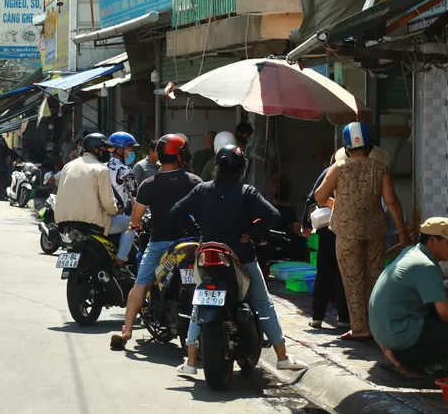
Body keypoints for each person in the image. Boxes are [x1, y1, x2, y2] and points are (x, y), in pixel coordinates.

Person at [171, 145, 307, 375]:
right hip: (241, 257)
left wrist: (196, 231)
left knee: (198, 304)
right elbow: (273, 215)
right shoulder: (246, 192)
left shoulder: (202, 190)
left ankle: (191, 361)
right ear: (241, 168)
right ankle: (283, 356)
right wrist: (253, 234)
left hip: (207, 256)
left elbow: (177, 210)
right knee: (264, 304)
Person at [314, 122, 410, 341]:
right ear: (370, 145)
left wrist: (334, 203)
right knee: (374, 278)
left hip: (346, 231)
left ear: (347, 146)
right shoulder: (380, 168)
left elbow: (319, 196)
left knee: (352, 280)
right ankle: (377, 326)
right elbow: (392, 203)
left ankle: (359, 328)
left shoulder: (338, 168)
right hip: (375, 230)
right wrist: (403, 233)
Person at [112, 134, 202, 350]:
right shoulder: (194, 181)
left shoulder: (149, 184)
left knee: (140, 283)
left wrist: (137, 225)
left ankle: (126, 331)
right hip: (193, 244)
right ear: (181, 156)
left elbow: (136, 218)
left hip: (160, 243)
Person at [371, 218, 448, 376]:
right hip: (397, 332)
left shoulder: (412, 251)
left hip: (385, 328)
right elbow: (445, 313)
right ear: (432, 240)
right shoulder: (427, 266)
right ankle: (404, 358)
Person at [302, 155, 350, 330]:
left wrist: (305, 224)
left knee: (324, 274)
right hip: (349, 231)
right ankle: (344, 318)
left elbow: (312, 198)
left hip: (328, 231)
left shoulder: (329, 172)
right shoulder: (358, 171)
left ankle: (317, 317)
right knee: (346, 275)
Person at [53, 133, 118, 234]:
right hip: (90, 223)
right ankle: (122, 251)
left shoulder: (68, 166)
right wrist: (114, 211)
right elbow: (107, 202)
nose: (106, 152)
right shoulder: (101, 169)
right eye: (104, 149)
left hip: (63, 223)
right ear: (95, 149)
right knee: (129, 223)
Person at [106, 132, 139, 237]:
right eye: (130, 150)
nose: (131, 154)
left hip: (98, 214)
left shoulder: (100, 166)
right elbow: (134, 197)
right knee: (132, 226)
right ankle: (122, 254)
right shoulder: (125, 170)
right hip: (115, 215)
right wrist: (139, 217)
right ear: (120, 150)